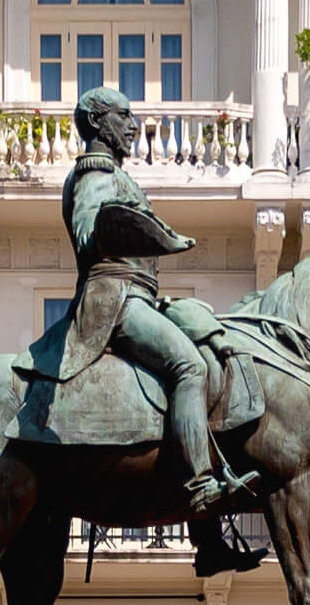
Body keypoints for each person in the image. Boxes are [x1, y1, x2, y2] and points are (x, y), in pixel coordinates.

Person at [58, 86, 258, 539]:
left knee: (208, 335)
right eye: (123, 117)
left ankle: (207, 538)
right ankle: (201, 486)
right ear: (97, 123)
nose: (134, 126)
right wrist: (114, 231)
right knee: (188, 366)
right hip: (117, 300)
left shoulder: (112, 173)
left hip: (142, 298)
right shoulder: (97, 172)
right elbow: (89, 227)